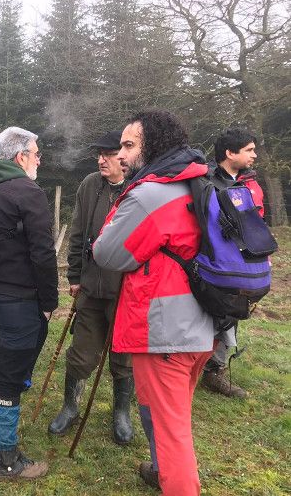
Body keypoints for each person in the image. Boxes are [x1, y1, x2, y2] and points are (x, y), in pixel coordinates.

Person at [92, 110, 226, 495]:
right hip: (202, 325)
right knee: (174, 419)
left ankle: (174, 479)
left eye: (129, 145)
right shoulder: (202, 182)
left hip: (166, 331)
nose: (120, 154)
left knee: (172, 436)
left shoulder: (152, 193)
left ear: (153, 147)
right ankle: (159, 470)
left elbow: (108, 253)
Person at [0, 126, 58, 481]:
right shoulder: (28, 191)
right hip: (18, 301)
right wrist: (49, 300)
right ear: (21, 158)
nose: (39, 160)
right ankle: (6, 458)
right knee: (10, 379)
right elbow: (42, 253)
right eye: (36, 154)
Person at [48, 130, 133, 444]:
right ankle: (70, 407)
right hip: (89, 289)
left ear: (123, 158)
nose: (101, 160)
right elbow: (79, 232)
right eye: (99, 154)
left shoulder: (139, 189)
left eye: (108, 154)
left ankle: (121, 412)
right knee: (81, 353)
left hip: (125, 291)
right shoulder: (88, 186)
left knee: (123, 357)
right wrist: (73, 277)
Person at [200, 128, 264, 399]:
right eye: (249, 149)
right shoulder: (206, 184)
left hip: (244, 267)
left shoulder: (250, 185)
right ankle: (193, 365)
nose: (254, 155)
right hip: (214, 266)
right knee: (207, 316)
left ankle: (215, 372)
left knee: (232, 316)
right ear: (230, 153)